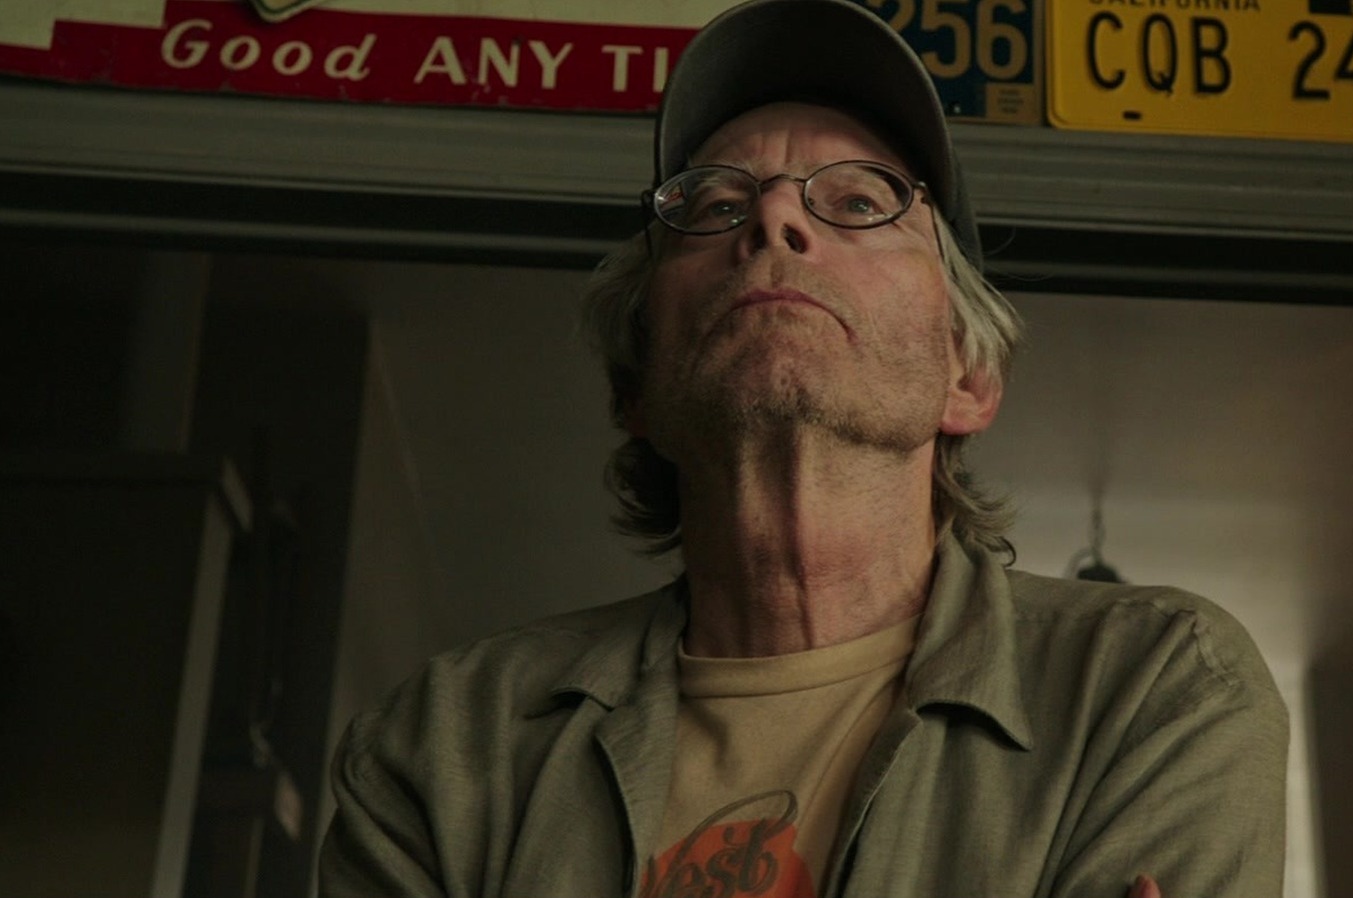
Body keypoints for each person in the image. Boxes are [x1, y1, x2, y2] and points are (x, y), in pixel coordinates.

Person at [318, 1, 1288, 896]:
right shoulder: (441, 748)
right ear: (633, 386)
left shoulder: (1155, 686)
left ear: (966, 376)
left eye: (861, 203)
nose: (774, 219)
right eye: (712, 207)